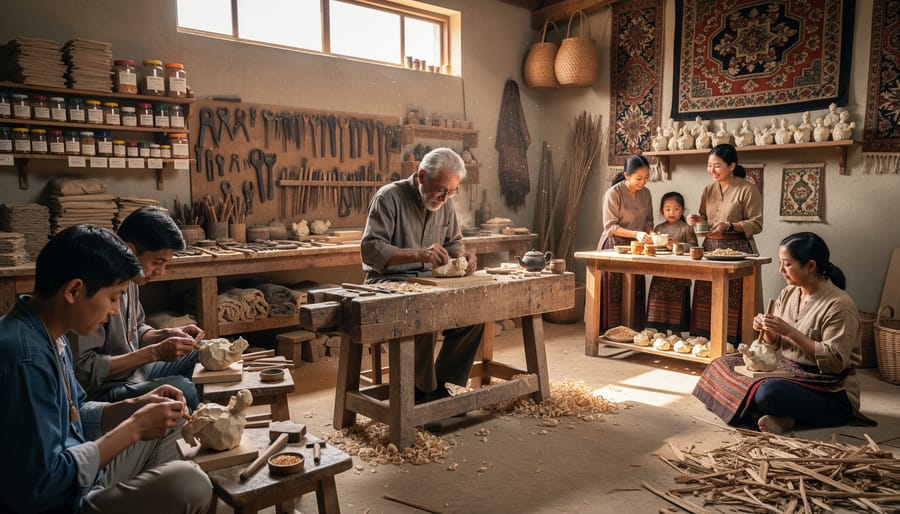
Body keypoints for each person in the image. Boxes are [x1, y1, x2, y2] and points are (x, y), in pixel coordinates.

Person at [0, 224, 211, 513]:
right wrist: (133, 428)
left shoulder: (47, 334)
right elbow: (41, 486)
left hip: (75, 473)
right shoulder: (25, 358)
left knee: (173, 422)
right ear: (74, 290)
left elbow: (78, 412)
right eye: (113, 297)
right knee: (191, 484)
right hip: (56, 502)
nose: (114, 310)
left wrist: (136, 405)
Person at [693, 232, 875, 434]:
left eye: (787, 264)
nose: (781, 270)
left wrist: (789, 331)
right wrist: (767, 329)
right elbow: (774, 344)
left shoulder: (839, 305)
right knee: (720, 365)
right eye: (780, 263)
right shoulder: (789, 293)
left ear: (811, 266)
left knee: (767, 394)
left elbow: (834, 362)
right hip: (790, 372)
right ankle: (780, 418)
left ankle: (774, 416)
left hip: (830, 388)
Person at [361, 147, 483, 404]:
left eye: (451, 191)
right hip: (388, 282)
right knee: (423, 311)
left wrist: (463, 259)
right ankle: (420, 393)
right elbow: (371, 250)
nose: (444, 197)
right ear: (421, 176)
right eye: (440, 189)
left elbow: (454, 243)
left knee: (475, 314)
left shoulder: (445, 203)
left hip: (429, 282)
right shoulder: (388, 197)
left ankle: (441, 384)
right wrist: (419, 255)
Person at [71, 206, 205, 409]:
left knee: (201, 351)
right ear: (131, 251)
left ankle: (200, 419)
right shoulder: (96, 287)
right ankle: (191, 427)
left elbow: (138, 330)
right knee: (182, 389)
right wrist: (154, 353)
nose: (161, 271)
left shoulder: (133, 279)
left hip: (135, 374)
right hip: (104, 392)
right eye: (157, 262)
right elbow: (84, 370)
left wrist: (167, 335)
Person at [687, 144, 763, 343]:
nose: (711, 170)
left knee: (734, 299)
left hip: (737, 251)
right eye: (709, 165)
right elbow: (705, 218)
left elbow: (756, 223)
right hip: (710, 249)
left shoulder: (748, 189)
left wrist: (729, 226)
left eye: (717, 166)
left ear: (731, 166)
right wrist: (696, 219)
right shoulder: (708, 189)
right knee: (706, 295)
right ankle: (704, 343)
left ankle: (735, 345)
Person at [596, 155, 654, 331]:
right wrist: (637, 234)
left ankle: (633, 332)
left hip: (636, 247)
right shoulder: (613, 193)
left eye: (646, 178)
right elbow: (610, 227)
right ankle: (611, 332)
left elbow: (648, 221)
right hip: (614, 246)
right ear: (627, 175)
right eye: (639, 178)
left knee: (635, 288)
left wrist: (651, 233)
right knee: (614, 291)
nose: (643, 182)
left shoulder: (646, 193)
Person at [645, 192, 698, 334]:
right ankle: (660, 333)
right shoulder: (658, 229)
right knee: (659, 306)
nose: (671, 212)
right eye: (667, 209)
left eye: (676, 209)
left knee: (678, 307)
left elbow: (694, 247)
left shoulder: (687, 228)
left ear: (682, 210)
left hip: (680, 275)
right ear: (662, 211)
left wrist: (678, 245)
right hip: (661, 273)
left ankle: (676, 335)